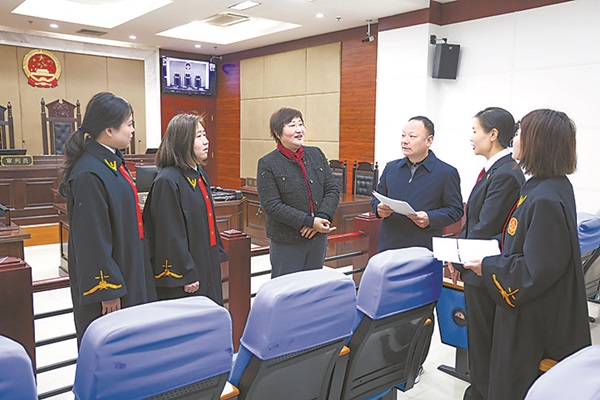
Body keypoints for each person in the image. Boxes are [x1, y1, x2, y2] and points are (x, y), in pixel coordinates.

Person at [463, 109, 591, 400]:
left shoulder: (545, 198)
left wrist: (488, 266)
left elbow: (535, 270)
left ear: (537, 142)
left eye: (520, 133)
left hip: (533, 320)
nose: (515, 139)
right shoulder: (545, 186)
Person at [60, 92, 155, 345]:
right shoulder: (89, 173)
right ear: (109, 130)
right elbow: (92, 238)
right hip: (109, 285)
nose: (133, 130)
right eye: (129, 124)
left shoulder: (111, 162)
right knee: (111, 347)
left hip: (127, 265)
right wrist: (108, 288)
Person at [447, 107, 525, 400]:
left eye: (475, 130)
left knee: (483, 341)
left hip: (484, 270)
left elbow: (485, 227)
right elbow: (474, 221)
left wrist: (458, 257)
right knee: (479, 341)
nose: (471, 137)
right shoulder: (495, 170)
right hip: (476, 264)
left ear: (493, 134)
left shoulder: (505, 174)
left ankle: (483, 391)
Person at [143, 114, 225, 304]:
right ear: (182, 142)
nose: (206, 141)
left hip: (205, 258)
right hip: (185, 274)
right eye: (199, 136)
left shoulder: (199, 174)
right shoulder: (167, 180)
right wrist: (185, 272)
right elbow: (169, 234)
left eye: (205, 135)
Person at [257, 107, 339, 278]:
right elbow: (272, 205)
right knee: (287, 288)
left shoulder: (316, 153)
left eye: (301, 124)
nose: (299, 129)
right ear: (277, 133)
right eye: (292, 125)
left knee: (313, 285)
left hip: (317, 238)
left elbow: (332, 189)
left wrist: (321, 217)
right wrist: (308, 222)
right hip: (287, 241)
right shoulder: (267, 163)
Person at [372, 116, 463, 252]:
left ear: (429, 140)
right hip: (389, 246)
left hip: (423, 248)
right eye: (403, 135)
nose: (405, 141)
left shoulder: (446, 173)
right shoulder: (391, 168)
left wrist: (430, 218)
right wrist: (378, 209)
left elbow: (455, 210)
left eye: (412, 136)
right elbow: (376, 198)